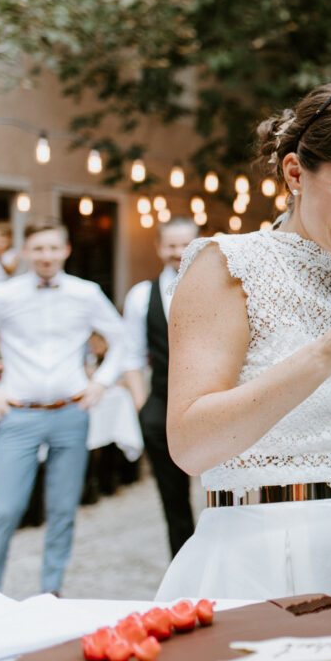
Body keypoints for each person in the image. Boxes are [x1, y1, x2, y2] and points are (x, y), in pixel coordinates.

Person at [155, 82, 331, 604]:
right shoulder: (227, 264)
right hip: (255, 555)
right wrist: (323, 357)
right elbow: (188, 446)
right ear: (296, 173)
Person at [0, 221, 127, 595]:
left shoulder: (86, 294)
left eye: (52, 248)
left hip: (70, 413)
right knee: (3, 509)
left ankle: (51, 594)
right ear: (26, 253)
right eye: (38, 249)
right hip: (19, 414)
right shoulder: (4, 295)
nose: (45, 256)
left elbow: (121, 337)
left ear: (65, 251)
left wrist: (101, 383)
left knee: (63, 511)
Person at [122, 217, 199, 557]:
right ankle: (184, 573)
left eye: (185, 244)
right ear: (159, 247)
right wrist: (142, 409)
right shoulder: (141, 295)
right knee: (174, 503)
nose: (178, 252)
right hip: (161, 409)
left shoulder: (221, 289)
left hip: (214, 405)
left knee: (225, 498)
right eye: (170, 245)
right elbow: (131, 356)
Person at [0, 221, 19, 290]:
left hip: (8, 288)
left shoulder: (12, 254)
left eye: (0, 239)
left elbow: (10, 271)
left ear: (9, 239)